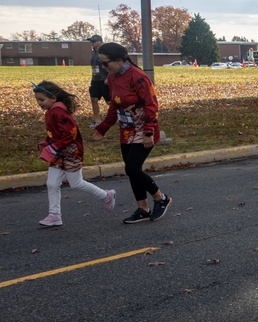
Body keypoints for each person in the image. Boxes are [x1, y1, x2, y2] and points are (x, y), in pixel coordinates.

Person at [93, 42, 172, 224]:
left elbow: (151, 105)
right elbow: (114, 105)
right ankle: (143, 209)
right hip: (126, 130)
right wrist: (103, 128)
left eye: (106, 63)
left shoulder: (138, 77)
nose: (104, 67)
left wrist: (148, 132)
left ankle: (161, 198)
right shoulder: (113, 78)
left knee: (132, 168)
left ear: (120, 60)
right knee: (133, 171)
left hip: (144, 129)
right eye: (101, 63)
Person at [33, 81, 116, 227]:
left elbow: (70, 134)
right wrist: (47, 143)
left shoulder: (59, 112)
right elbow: (54, 133)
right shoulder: (51, 112)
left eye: (42, 99)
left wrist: (52, 148)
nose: (40, 103)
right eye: (38, 100)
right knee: (52, 183)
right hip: (59, 152)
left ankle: (106, 195)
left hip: (71, 152)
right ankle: (54, 215)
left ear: (53, 98)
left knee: (76, 183)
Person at [86, 35, 111, 128]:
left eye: (94, 41)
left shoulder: (105, 52)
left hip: (105, 80)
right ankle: (97, 120)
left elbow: (110, 66)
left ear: (100, 42)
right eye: (91, 41)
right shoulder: (92, 53)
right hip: (95, 80)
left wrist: (108, 78)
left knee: (109, 102)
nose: (92, 43)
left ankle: (119, 116)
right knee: (94, 99)